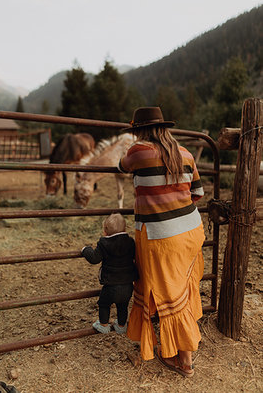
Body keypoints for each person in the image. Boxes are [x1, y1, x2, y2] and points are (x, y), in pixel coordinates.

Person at [118, 107, 205, 378]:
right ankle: (176, 350)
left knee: (169, 293)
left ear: (139, 130)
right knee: (181, 290)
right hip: (191, 231)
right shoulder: (186, 154)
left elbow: (120, 166)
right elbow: (198, 193)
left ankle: (184, 361)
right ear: (164, 128)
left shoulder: (138, 151)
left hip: (160, 237)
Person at [81, 213, 138, 335]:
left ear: (105, 231)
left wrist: (86, 250)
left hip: (111, 285)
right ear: (125, 228)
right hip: (128, 285)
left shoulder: (104, 243)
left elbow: (94, 258)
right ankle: (121, 326)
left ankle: (103, 325)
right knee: (123, 305)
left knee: (104, 304)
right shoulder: (130, 242)